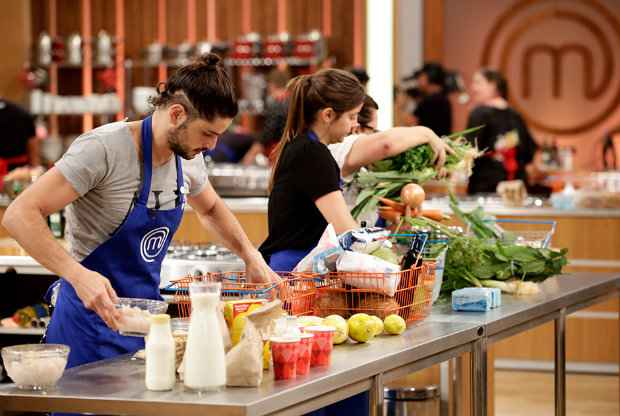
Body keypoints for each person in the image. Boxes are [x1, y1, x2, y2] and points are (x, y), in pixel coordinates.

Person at [2, 53, 280, 371]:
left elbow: (212, 208)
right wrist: (77, 275)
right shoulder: (103, 149)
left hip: (144, 326)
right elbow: (19, 214)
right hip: (87, 326)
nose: (213, 145)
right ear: (176, 114)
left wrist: (250, 255)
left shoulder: (188, 157)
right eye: (208, 133)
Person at [465, 68, 545, 194]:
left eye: (478, 83)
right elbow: (530, 152)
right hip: (516, 187)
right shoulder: (515, 115)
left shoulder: (479, 114)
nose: (473, 88)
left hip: (485, 187)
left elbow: (467, 150)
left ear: (494, 85)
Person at [241, 68, 290, 165]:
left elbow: (268, 132)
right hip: (289, 150)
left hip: (278, 152)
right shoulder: (292, 99)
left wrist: (251, 154)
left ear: (272, 85)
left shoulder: (277, 101)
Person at [0, 98, 43, 189]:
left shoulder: (21, 114)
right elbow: (32, 144)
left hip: (17, 174)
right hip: (19, 176)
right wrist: (35, 168)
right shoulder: (22, 113)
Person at [405, 62, 452, 137]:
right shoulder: (445, 99)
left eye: (421, 76)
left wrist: (402, 106)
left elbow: (411, 124)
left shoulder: (429, 101)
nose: (418, 80)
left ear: (429, 77)